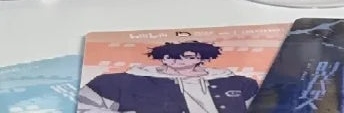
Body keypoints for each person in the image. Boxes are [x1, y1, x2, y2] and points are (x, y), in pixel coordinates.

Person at [77, 40, 258, 113]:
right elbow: (85, 104)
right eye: (170, 56)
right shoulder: (119, 81)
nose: (176, 61)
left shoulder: (241, 83)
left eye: (187, 57)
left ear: (203, 58)